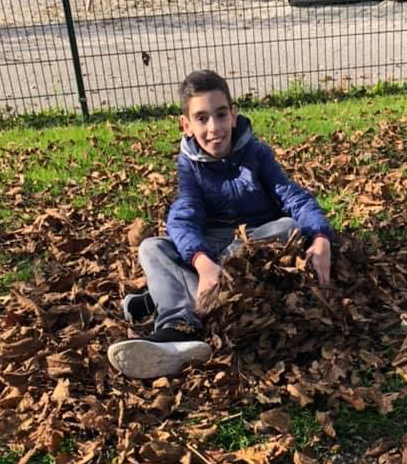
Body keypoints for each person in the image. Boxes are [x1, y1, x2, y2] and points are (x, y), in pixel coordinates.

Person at [107, 70, 333, 379]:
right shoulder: (190, 165)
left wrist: (320, 237)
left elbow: (294, 197)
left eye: (221, 114)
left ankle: (169, 298)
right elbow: (183, 216)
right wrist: (202, 262)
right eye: (201, 118)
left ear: (234, 115)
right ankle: (177, 330)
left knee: (287, 228)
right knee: (152, 248)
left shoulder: (257, 154)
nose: (214, 127)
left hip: (254, 243)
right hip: (212, 246)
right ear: (186, 125)